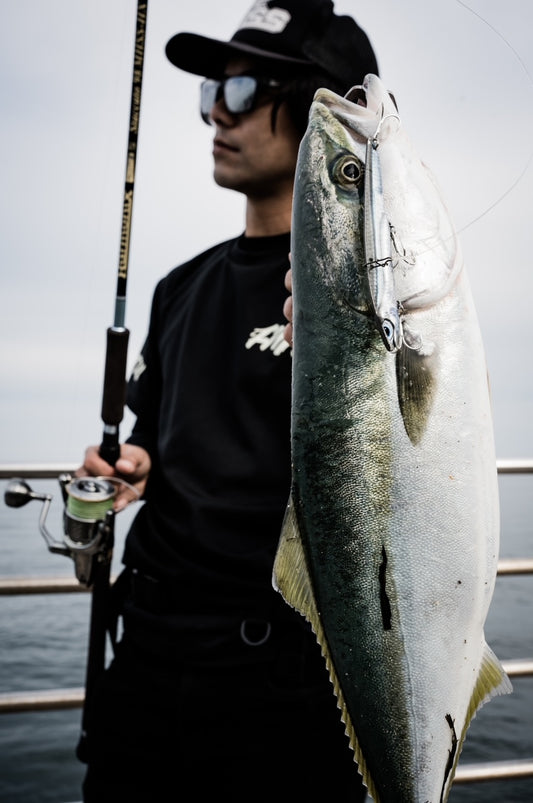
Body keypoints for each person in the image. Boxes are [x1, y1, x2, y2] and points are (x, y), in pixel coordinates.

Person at [77, 2, 379, 801]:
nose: (217, 109)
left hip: (282, 687)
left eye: (243, 90)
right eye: (212, 89)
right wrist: (130, 466)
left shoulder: (363, 294)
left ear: (322, 110)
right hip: (142, 662)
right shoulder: (181, 286)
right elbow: (153, 440)